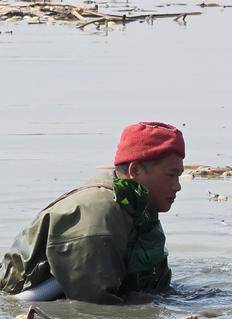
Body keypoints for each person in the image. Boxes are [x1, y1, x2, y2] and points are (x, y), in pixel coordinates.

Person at [0, 122, 185, 304]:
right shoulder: (98, 219)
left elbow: (156, 287)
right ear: (135, 170)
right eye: (171, 175)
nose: (178, 186)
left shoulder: (138, 205)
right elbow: (93, 308)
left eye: (179, 176)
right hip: (24, 299)